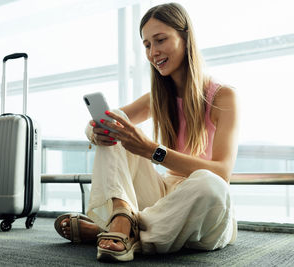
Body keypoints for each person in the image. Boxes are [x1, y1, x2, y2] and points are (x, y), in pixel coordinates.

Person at [54, 2, 239, 262]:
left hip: (202, 206)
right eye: (147, 45)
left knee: (211, 185)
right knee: (116, 120)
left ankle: (115, 229)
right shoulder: (157, 97)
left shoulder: (223, 96)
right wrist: (93, 133)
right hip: (163, 195)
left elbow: (221, 172)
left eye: (160, 40)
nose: (153, 52)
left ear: (185, 38)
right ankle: (122, 217)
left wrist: (153, 151)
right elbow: (107, 120)